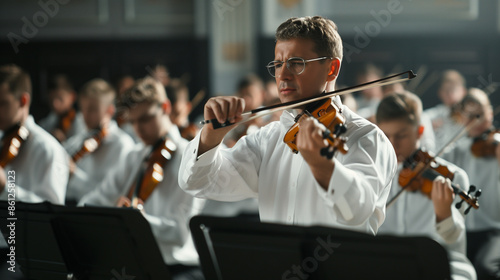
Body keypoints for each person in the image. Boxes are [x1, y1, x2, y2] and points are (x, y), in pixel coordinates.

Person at [178, 16, 397, 234]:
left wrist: (324, 167)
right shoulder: (268, 138)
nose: (282, 75)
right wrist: (210, 137)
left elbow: (356, 211)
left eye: (296, 64)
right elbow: (198, 184)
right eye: (278, 64)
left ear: (331, 68)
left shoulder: (366, 137)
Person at [79, 77, 204, 280]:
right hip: (137, 264)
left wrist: (137, 220)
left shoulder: (191, 157)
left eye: (145, 118)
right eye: (133, 121)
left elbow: (179, 235)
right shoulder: (134, 156)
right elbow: (95, 200)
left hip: (179, 268)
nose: (138, 129)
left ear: (165, 107)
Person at [375, 92, 477, 280]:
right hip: (386, 264)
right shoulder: (373, 174)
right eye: (386, 136)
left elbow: (454, 242)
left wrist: (444, 214)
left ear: (420, 131)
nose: (393, 145)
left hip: (438, 264)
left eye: (401, 135)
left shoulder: (453, 177)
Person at [442, 88, 500, 280]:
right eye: (471, 116)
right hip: (464, 231)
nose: (478, 120)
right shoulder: (457, 150)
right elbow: (437, 162)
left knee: (486, 268)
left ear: (490, 113)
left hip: (494, 230)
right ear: (462, 118)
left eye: (481, 114)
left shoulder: (496, 146)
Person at [0, 64, 68, 204]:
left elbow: (50, 214)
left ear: (23, 101)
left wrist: (5, 188)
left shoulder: (48, 149)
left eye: (2, 103)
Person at [63, 78, 135, 204]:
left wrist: (75, 176)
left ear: (110, 110)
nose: (85, 115)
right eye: (82, 108)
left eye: (92, 109)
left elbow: (111, 195)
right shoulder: (79, 140)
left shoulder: (123, 145)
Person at [424, 70, 467, 152]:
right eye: (446, 91)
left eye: (453, 90)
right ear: (440, 93)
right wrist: (428, 125)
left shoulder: (470, 116)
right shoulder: (433, 115)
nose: (450, 94)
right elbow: (423, 118)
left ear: (463, 91)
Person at [38, 74, 85, 143]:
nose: (55, 104)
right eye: (51, 99)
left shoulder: (82, 122)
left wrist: (63, 142)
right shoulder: (47, 122)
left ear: (72, 96)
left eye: (60, 99)